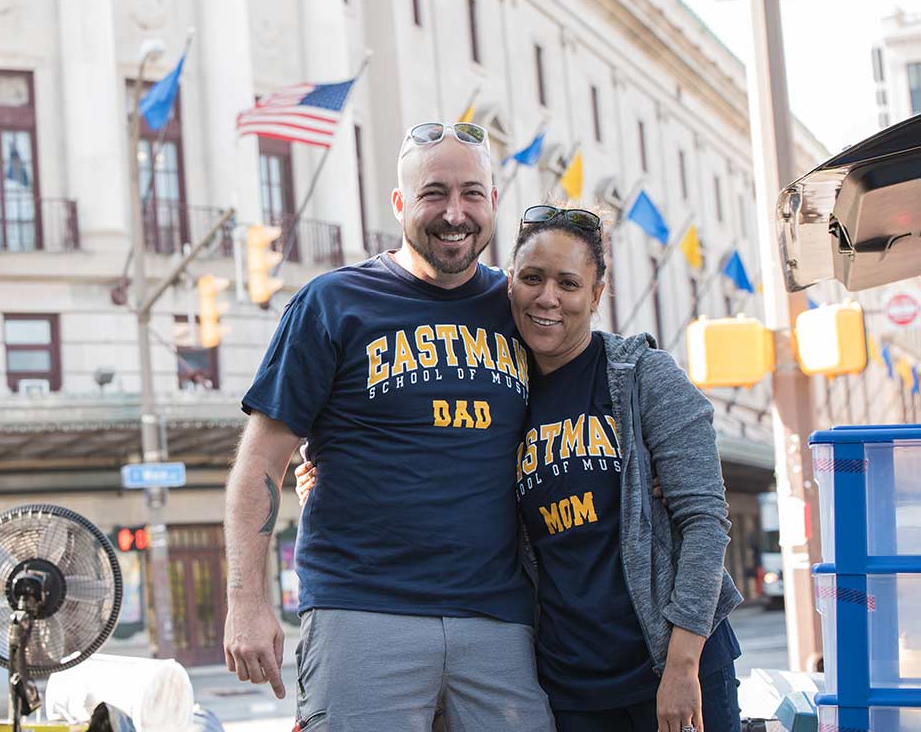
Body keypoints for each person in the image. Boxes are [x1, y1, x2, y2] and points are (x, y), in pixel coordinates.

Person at [297, 203, 745, 732]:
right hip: (572, 687)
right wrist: (333, 478)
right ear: (510, 284)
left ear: (595, 295)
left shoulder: (642, 377)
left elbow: (705, 522)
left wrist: (682, 667)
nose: (548, 298)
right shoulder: (506, 392)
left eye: (568, 283)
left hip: (671, 666)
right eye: (532, 278)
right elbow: (451, 472)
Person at [222, 122, 555, 732]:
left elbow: (585, 406)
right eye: (434, 193)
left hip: (500, 619)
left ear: (493, 204)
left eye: (471, 193)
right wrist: (245, 600)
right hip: (362, 610)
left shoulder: (522, 309)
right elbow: (261, 462)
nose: (454, 213)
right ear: (400, 204)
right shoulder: (333, 302)